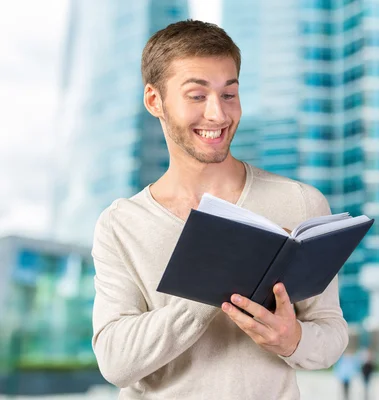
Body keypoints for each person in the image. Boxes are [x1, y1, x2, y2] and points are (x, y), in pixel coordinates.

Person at [91, 20, 349, 399]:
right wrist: (211, 288)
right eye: (197, 96)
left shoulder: (300, 202)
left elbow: (332, 332)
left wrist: (293, 339)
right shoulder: (121, 224)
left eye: (229, 94)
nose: (218, 115)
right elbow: (115, 361)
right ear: (154, 101)